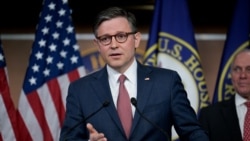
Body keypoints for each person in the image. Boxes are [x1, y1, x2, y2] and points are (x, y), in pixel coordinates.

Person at [59, 6, 209, 141]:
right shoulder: (80, 90)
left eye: (121, 36)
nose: (114, 45)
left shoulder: (167, 82)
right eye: (105, 39)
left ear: (136, 39)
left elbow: (193, 133)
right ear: (97, 45)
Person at [199, 48, 250, 141]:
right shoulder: (210, 116)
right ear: (231, 74)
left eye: (249, 69)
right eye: (237, 69)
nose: (243, 75)